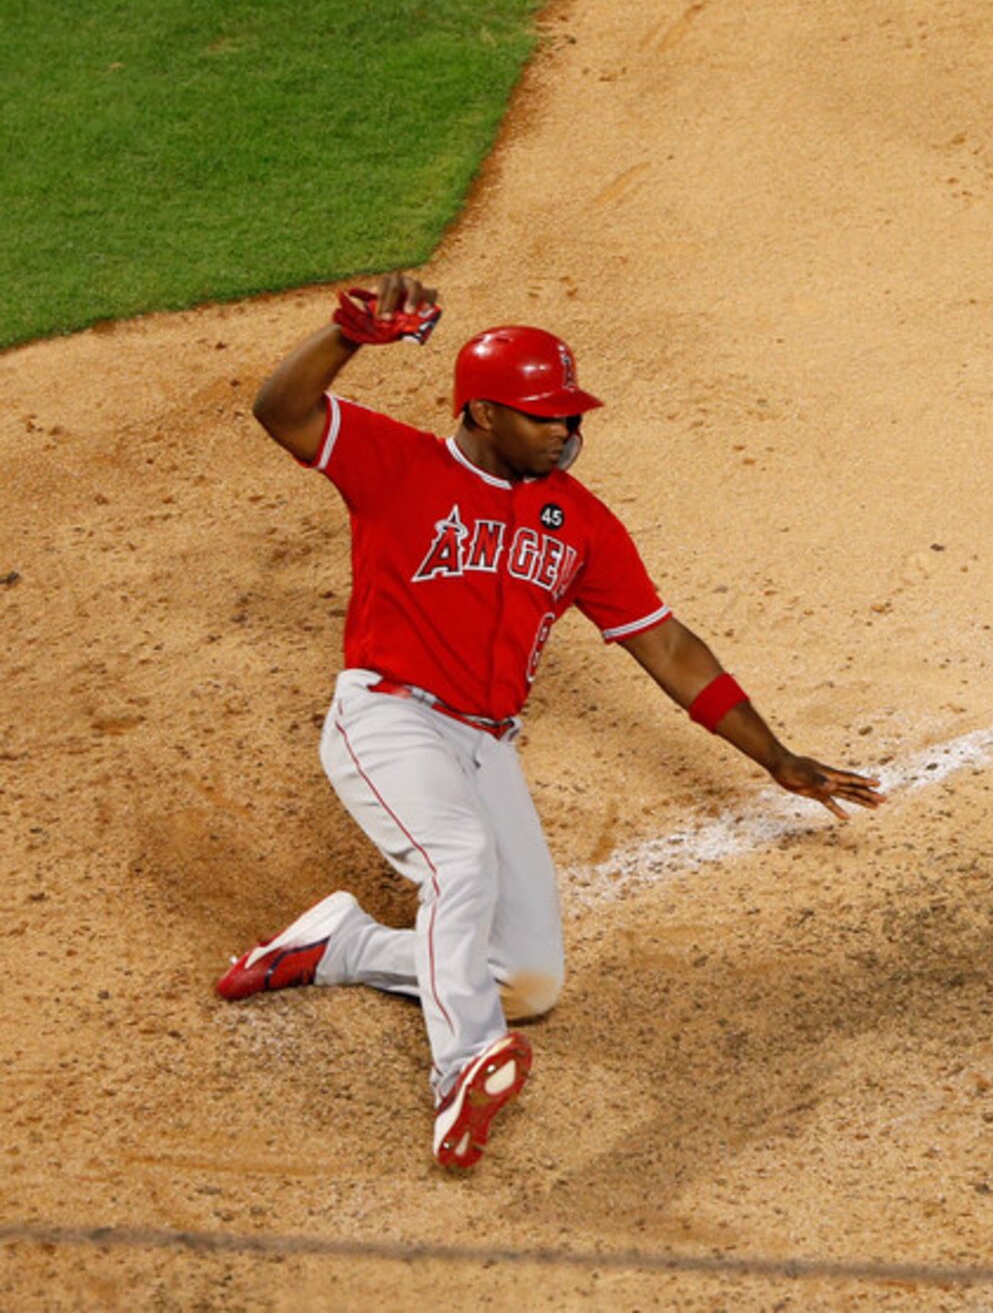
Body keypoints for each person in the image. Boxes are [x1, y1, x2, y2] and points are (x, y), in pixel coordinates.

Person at [218, 272, 885, 1171]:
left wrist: (775, 755)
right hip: (389, 720)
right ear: (484, 414)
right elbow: (280, 412)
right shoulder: (397, 465)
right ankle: (461, 1070)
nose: (568, 433)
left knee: (526, 981)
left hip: (486, 745)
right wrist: (348, 337)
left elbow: (668, 645)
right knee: (459, 864)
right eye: (546, 417)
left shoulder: (580, 525)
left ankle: (339, 946)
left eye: (573, 417)